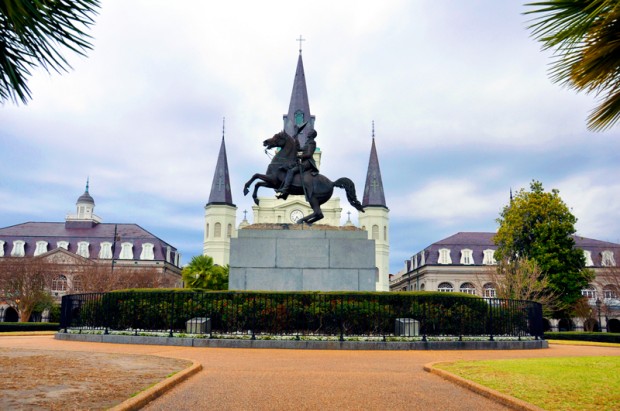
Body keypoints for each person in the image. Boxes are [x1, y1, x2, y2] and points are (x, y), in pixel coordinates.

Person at [276, 129, 318, 197]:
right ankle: (285, 191)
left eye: (310, 132)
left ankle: (285, 189)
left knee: (291, 171)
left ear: (312, 134)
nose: (308, 133)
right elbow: (299, 149)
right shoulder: (307, 142)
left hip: (308, 163)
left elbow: (309, 154)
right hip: (303, 161)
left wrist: (299, 156)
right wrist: (296, 138)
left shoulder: (312, 142)